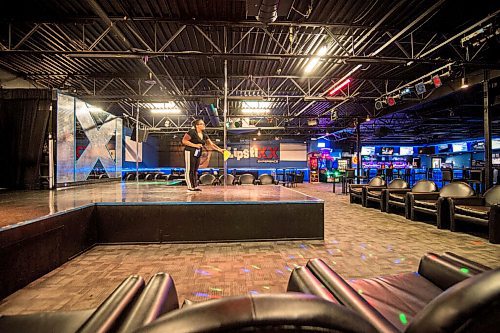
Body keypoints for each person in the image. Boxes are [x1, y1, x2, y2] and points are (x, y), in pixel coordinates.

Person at [182, 119, 224, 191]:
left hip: (198, 152)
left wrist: (220, 150)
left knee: (195, 170)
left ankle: (194, 186)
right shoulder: (192, 132)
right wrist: (195, 145)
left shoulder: (204, 133)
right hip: (190, 151)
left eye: (203, 124)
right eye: (202, 124)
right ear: (197, 125)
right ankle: (189, 187)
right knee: (189, 169)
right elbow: (184, 141)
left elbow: (211, 144)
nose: (204, 125)